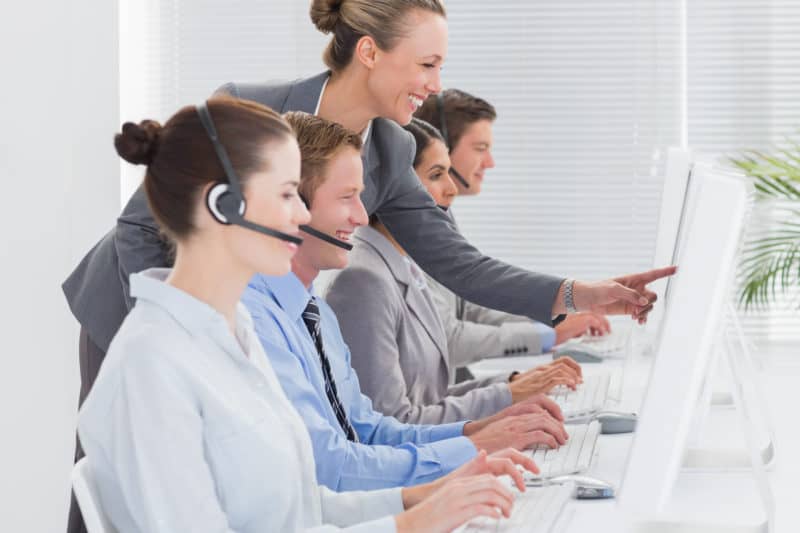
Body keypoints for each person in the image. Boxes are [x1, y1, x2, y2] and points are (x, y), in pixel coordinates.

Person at [63, 3, 673, 526]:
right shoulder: (250, 113)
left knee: (264, 477)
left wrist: (578, 295)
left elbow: (458, 263)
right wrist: (180, 327)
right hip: (137, 304)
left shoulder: (390, 149)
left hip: (234, 318)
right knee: (136, 491)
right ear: (370, 52)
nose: (436, 85)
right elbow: (141, 230)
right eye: (427, 64)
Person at [78, 98, 538, 533]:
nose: (302, 214)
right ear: (224, 206)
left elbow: (299, 506)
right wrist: (410, 524)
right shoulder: (152, 366)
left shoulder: (233, 334)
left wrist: (421, 500)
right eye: (286, 195)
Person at [242, 111, 569, 492]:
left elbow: (369, 428)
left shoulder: (315, 313)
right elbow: (331, 466)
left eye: (361, 196)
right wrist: (473, 446)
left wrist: (478, 432)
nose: (361, 215)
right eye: (347, 197)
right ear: (290, 204)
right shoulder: (257, 321)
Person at [325, 119, 586, 424]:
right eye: (436, 175)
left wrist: (510, 384)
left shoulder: (404, 262)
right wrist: (507, 394)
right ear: (392, 185)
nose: (451, 190)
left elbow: (431, 397)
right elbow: (392, 423)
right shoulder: (363, 281)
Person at [412, 93, 612, 367]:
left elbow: (467, 307)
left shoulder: (441, 218)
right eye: (480, 148)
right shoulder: (413, 231)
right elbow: (446, 337)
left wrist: (555, 319)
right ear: (440, 148)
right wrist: (547, 335)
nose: (490, 162)